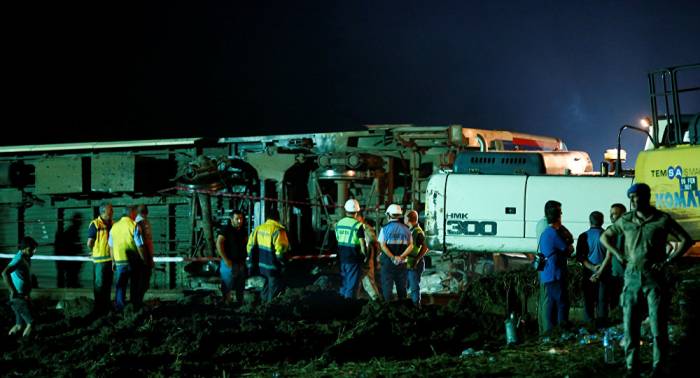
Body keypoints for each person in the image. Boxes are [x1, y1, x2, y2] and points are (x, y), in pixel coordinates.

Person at [600, 183, 692, 376]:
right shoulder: (626, 220)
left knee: (658, 324)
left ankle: (659, 367)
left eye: (637, 197)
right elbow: (605, 237)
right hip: (632, 276)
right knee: (630, 324)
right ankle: (632, 367)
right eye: (631, 198)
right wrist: (618, 254)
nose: (633, 201)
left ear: (646, 197)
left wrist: (667, 261)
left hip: (654, 277)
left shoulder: (661, 220)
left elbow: (685, 240)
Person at [539, 200, 574, 333]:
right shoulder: (553, 233)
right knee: (562, 302)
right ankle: (562, 329)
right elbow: (568, 248)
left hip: (548, 274)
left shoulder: (546, 232)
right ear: (558, 215)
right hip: (555, 273)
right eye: (560, 212)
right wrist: (568, 246)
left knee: (552, 303)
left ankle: (550, 331)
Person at [246, 208, 289, 303]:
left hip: (261, 268)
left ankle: (262, 307)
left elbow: (249, 247)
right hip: (273, 268)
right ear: (278, 218)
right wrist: (284, 264)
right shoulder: (278, 231)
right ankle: (269, 310)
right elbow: (280, 252)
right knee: (273, 292)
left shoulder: (257, 229)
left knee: (265, 288)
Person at [109, 206, 146, 310]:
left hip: (119, 261)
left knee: (120, 285)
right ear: (132, 214)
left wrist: (113, 261)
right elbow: (139, 245)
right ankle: (134, 305)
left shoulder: (114, 226)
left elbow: (111, 246)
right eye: (135, 213)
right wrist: (143, 259)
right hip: (132, 261)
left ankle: (119, 307)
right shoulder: (134, 225)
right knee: (134, 284)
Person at [576, 211, 608, 326]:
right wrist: (599, 270)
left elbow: (581, 257)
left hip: (588, 273)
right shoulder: (607, 235)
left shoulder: (583, 236)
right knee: (602, 302)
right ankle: (603, 329)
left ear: (590, 221)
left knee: (589, 302)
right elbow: (610, 256)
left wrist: (593, 268)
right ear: (602, 221)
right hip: (604, 273)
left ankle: (589, 327)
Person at [3, 236, 38, 337]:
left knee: (19, 325)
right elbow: (5, 273)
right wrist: (13, 291)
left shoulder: (22, 258)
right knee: (31, 323)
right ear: (24, 248)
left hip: (21, 296)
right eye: (31, 249)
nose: (34, 251)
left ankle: (9, 340)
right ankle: (26, 344)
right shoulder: (19, 259)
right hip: (19, 297)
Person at [595, 203, 627, 312]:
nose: (612, 216)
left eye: (614, 214)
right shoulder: (631, 228)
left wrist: (599, 273)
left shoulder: (613, 230)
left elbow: (609, 255)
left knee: (616, 305)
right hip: (621, 273)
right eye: (611, 214)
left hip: (619, 274)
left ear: (623, 214)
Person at [377, 204, 413, 301]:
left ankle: (388, 309)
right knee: (402, 288)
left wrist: (393, 257)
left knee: (387, 288)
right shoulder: (406, 229)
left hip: (388, 263)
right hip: (402, 263)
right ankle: (403, 308)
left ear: (389, 215)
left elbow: (382, 245)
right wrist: (401, 257)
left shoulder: (384, 229)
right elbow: (411, 246)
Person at [335, 199, 366, 299]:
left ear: (345, 210)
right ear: (357, 212)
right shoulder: (358, 225)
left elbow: (338, 239)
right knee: (352, 286)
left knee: (344, 283)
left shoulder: (339, 223)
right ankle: (349, 307)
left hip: (342, 257)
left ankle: (341, 303)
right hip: (353, 259)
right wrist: (365, 256)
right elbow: (362, 244)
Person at [216, 210, 248, 305]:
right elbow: (219, 243)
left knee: (240, 284)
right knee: (227, 284)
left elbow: (247, 243)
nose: (239, 221)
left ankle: (239, 303)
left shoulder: (243, 230)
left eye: (241, 218)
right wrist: (226, 260)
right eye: (237, 219)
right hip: (229, 263)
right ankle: (226, 302)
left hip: (240, 262)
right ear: (231, 219)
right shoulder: (226, 230)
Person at [87, 203, 114, 314]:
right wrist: (92, 251)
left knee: (107, 285)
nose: (112, 212)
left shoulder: (112, 223)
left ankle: (106, 307)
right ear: (103, 212)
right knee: (99, 286)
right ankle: (99, 308)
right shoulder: (95, 224)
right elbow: (89, 242)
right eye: (110, 210)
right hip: (99, 261)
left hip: (109, 260)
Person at [405, 210, 428, 308]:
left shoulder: (417, 232)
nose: (404, 219)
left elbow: (426, 247)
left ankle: (416, 306)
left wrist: (417, 259)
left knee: (414, 287)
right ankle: (411, 305)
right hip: (410, 263)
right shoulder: (412, 230)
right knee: (408, 286)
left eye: (405, 217)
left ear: (408, 219)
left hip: (414, 263)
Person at [55, 213, 83, 288]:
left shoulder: (73, 231)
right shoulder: (72, 232)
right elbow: (72, 247)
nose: (81, 223)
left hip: (71, 261)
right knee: (71, 278)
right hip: (71, 262)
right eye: (79, 221)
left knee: (71, 278)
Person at [134, 205, 155, 304]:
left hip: (145, 257)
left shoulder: (144, 221)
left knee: (143, 281)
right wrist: (147, 259)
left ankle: (138, 301)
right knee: (142, 281)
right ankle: (138, 302)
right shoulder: (139, 222)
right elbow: (142, 243)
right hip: (143, 258)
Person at [358, 215, 381, 300]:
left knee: (366, 278)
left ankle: (376, 299)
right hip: (365, 256)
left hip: (364, 256)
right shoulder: (366, 228)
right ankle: (375, 298)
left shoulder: (364, 228)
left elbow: (374, 244)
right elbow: (375, 244)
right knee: (366, 279)